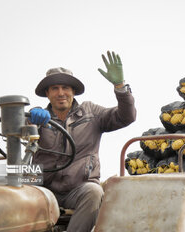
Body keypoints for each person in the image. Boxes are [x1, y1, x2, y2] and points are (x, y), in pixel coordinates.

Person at [29, 51, 137, 232]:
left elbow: (126, 116)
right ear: (47, 93)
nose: (60, 93)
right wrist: (30, 120)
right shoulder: (36, 118)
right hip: (44, 188)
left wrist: (120, 87)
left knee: (94, 192)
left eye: (65, 88)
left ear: (73, 92)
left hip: (78, 189)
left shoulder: (91, 112)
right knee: (10, 187)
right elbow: (14, 139)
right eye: (54, 88)